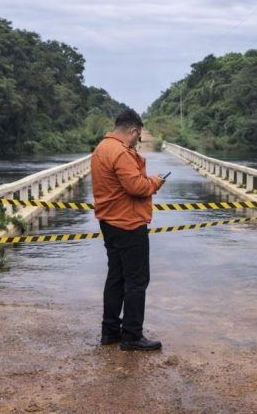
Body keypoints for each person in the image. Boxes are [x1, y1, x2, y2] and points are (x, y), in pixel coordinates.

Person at [91, 109, 166, 351]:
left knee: (116, 277)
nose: (137, 141)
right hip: (128, 223)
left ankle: (110, 331)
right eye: (138, 136)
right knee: (136, 280)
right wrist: (155, 182)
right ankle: (132, 335)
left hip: (109, 222)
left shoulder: (101, 148)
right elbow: (136, 186)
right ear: (133, 130)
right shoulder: (120, 152)